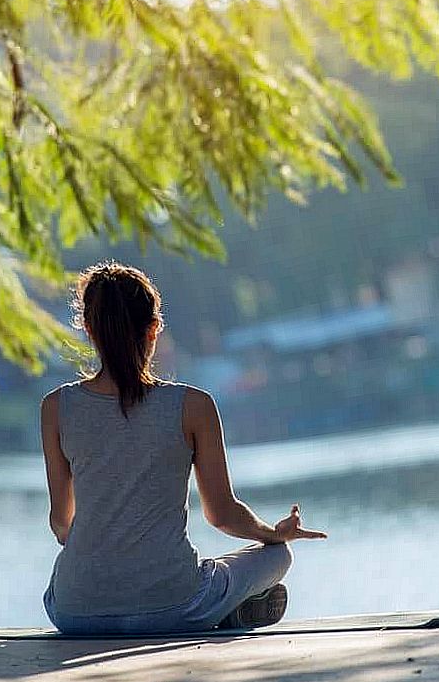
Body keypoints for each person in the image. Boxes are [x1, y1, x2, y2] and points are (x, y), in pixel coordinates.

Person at [40, 261, 327, 636]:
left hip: (76, 614)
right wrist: (276, 534)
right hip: (174, 607)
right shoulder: (193, 406)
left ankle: (222, 610)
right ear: (154, 330)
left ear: (89, 330)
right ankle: (226, 611)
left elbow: (62, 524)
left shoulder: (56, 408)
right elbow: (222, 514)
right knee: (276, 556)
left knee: (66, 581)